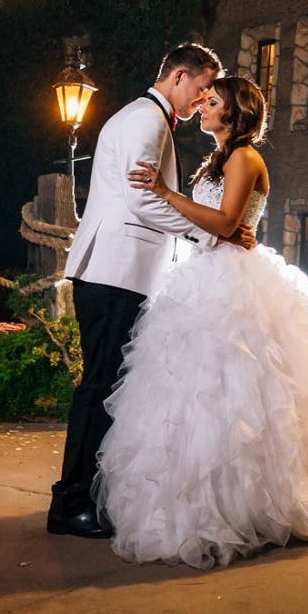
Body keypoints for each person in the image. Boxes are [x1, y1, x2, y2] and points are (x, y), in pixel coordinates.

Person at [97, 74, 308, 568]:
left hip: (235, 280)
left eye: (212, 101)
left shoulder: (246, 158)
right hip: (202, 272)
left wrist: (163, 190)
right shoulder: (219, 158)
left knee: (242, 393)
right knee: (193, 398)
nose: (202, 106)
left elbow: (226, 223)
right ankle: (196, 509)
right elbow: (211, 225)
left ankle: (248, 509)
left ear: (235, 112)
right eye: (203, 98)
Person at [46, 43, 253, 539]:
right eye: (202, 88)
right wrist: (210, 233)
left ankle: (91, 496)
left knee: (107, 385)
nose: (202, 100)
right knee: (99, 387)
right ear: (179, 76)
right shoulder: (147, 121)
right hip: (116, 272)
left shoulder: (144, 117)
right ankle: (70, 503)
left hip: (122, 272)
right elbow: (142, 201)